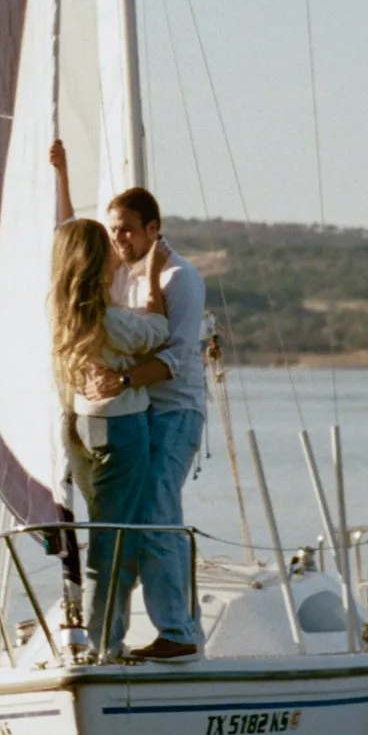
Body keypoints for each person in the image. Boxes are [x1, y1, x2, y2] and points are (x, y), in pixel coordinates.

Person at [45, 194, 166, 654]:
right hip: (120, 432)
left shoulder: (63, 312)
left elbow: (67, 231)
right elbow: (160, 330)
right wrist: (152, 273)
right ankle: (102, 646)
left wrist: (64, 178)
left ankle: (102, 638)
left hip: (80, 429)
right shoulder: (110, 321)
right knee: (112, 544)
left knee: (105, 535)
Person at [107, 183, 207, 656]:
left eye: (126, 230)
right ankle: (168, 627)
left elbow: (180, 356)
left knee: (157, 515)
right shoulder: (126, 277)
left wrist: (123, 382)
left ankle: (178, 634)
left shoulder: (181, 278)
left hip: (176, 410)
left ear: (153, 229)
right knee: (140, 517)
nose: (119, 240)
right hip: (141, 410)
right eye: (113, 232)